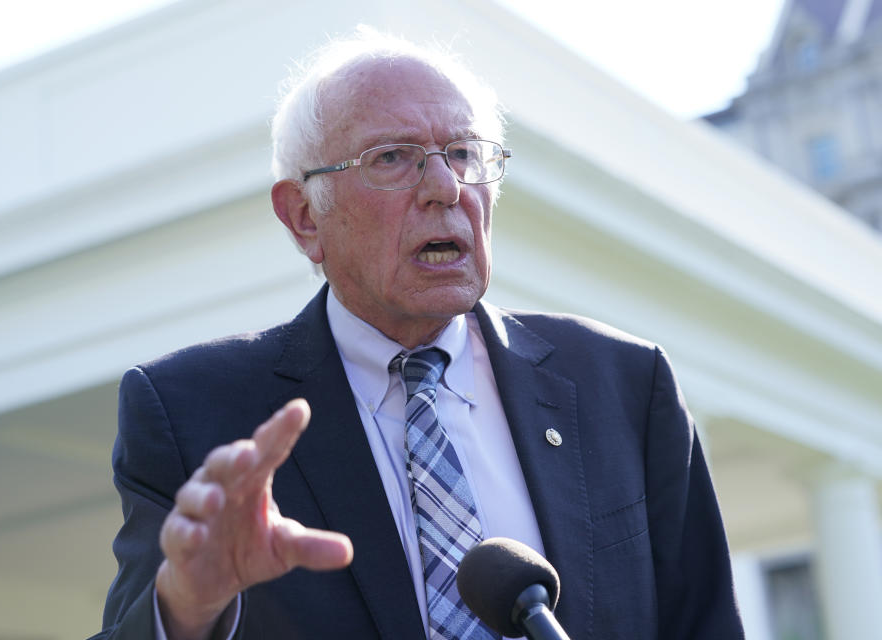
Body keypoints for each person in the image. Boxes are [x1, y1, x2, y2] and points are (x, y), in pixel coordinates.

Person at [92, 28, 744, 640]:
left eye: (464, 153)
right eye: (394, 157)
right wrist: (185, 605)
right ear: (302, 216)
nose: (446, 187)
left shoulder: (625, 385)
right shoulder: (191, 414)